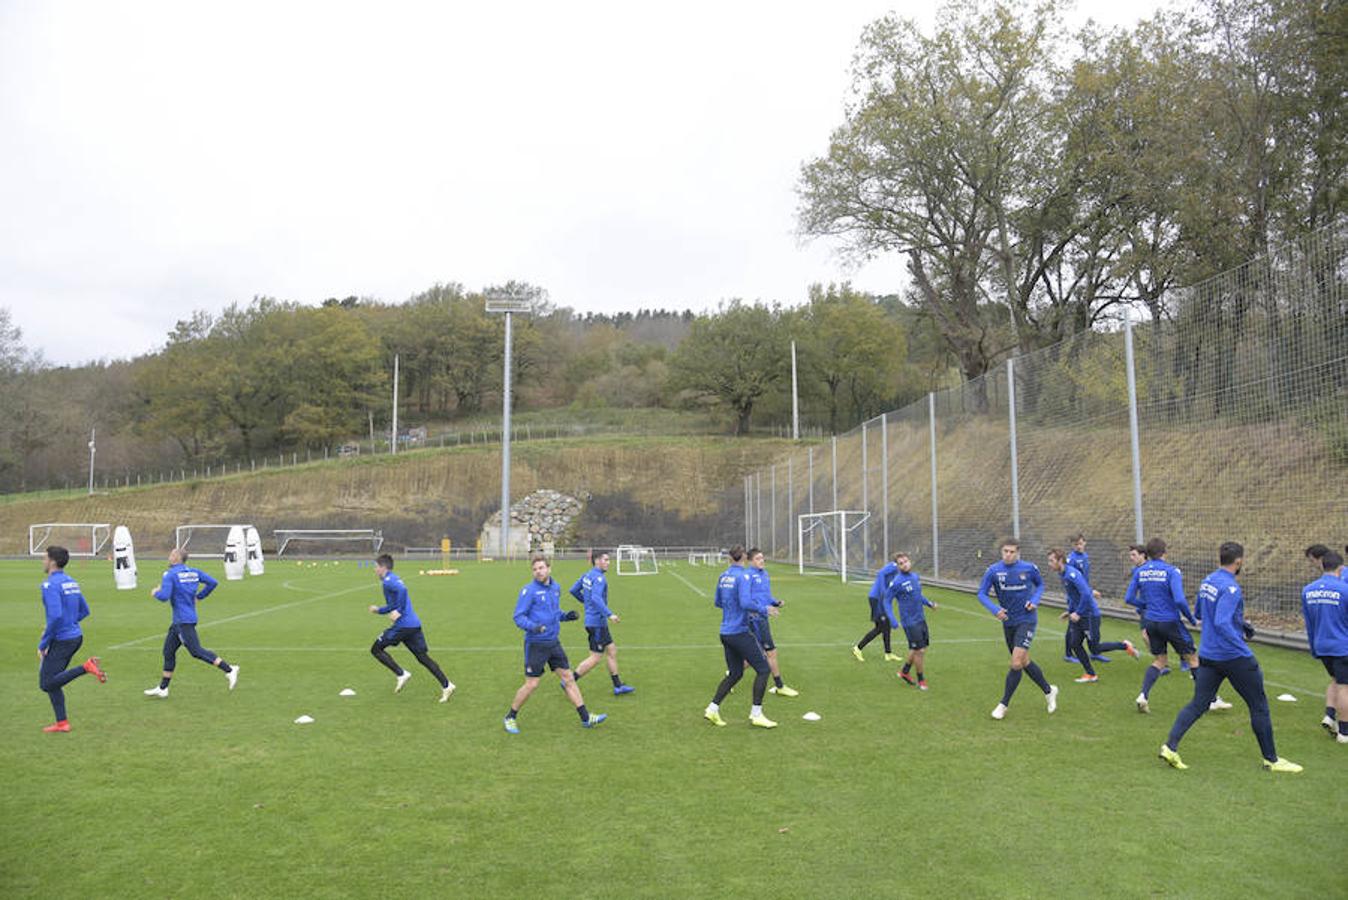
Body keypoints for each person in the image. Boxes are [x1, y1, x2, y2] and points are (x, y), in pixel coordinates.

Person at [1159, 541, 1302, 773]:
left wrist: (1242, 625)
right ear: (1239, 562)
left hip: (1208, 655)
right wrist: (1244, 648)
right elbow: (1222, 622)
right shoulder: (1231, 588)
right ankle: (1272, 760)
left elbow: (1200, 613)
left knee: (1199, 703)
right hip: (1234, 657)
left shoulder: (1207, 581)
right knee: (1259, 706)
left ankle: (1170, 747)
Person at [1124, 538, 1228, 714]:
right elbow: (1179, 599)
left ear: (1148, 554)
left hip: (1150, 621)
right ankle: (1210, 700)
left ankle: (1143, 695)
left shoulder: (1140, 572)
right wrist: (1192, 619)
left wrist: (1146, 605)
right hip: (1170, 621)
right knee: (1193, 658)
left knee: (1160, 660)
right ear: (1164, 553)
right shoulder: (1172, 571)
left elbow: (1129, 598)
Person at [505, 555, 605, 733]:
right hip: (536, 644)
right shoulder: (529, 591)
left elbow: (554, 612)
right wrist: (534, 627)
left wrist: (566, 616)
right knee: (532, 684)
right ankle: (510, 717)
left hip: (554, 643)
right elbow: (518, 616)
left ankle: (585, 717)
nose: (538, 571)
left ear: (549, 569)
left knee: (568, 678)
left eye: (541, 568)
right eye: (535, 569)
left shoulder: (555, 588)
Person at [977, 538, 1057, 720]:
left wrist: (1034, 601)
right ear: (1001, 552)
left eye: (1012, 551)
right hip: (1008, 622)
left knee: (1015, 663)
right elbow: (981, 593)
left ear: (1018, 553)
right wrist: (995, 609)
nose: (1008, 554)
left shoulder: (1029, 568)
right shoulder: (993, 571)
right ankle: (1049, 690)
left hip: (1027, 620)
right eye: (1005, 551)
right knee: (1024, 661)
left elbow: (1040, 585)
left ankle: (1003, 705)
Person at [704, 545, 781, 728]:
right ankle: (756, 714)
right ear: (745, 558)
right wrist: (765, 609)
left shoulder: (723, 576)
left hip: (725, 632)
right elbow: (746, 602)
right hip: (739, 632)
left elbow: (718, 602)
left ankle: (712, 709)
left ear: (730, 558)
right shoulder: (744, 575)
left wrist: (733, 609)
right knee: (763, 669)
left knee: (736, 673)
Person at [143, 548, 237, 698]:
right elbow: (213, 583)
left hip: (183, 621)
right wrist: (199, 596)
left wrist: (155, 592)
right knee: (168, 651)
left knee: (196, 651)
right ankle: (163, 688)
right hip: (181, 620)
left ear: (178, 558)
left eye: (172, 554)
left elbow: (164, 597)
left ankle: (230, 669)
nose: (169, 556)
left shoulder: (170, 574)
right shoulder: (194, 572)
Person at [367, 554, 456, 702]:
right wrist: (379, 610)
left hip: (403, 626)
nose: (374, 570)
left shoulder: (388, 581)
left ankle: (401, 674)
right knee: (423, 658)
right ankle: (447, 685)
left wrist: (399, 611)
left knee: (376, 649)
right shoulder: (393, 578)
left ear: (383, 567)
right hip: (414, 625)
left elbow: (403, 591)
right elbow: (392, 606)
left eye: (376, 567)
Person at [36, 546, 106, 732]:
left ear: (52, 561)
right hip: (75, 636)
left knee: (46, 683)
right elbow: (85, 611)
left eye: (44, 558)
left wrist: (43, 643)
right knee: (54, 680)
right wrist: (69, 624)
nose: (42, 561)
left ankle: (86, 667)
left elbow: (56, 616)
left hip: (63, 640)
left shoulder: (49, 585)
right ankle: (62, 723)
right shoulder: (71, 582)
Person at [1049, 548, 1138, 684]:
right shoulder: (1062, 574)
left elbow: (1085, 594)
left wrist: (1078, 613)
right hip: (1080, 614)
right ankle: (1090, 674)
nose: (1049, 564)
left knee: (1095, 648)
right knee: (1075, 643)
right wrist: (1070, 611)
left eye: (1051, 561)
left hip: (1089, 615)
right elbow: (1074, 596)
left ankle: (1124, 645)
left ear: (1060, 561)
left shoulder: (1072, 574)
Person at [567, 551, 634, 695]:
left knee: (611, 650)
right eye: (606, 559)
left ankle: (618, 686)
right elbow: (597, 599)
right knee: (595, 657)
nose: (608, 562)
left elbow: (573, 590)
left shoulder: (587, 575)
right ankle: (569, 681)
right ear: (597, 561)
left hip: (596, 622)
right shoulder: (599, 578)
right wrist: (610, 614)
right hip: (596, 622)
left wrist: (586, 602)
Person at [1301, 549, 1348, 744]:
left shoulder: (1308, 590)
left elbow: (1309, 623)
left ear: (1322, 566)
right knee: (1345, 687)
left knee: (1336, 680)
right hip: (1342, 645)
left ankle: (1329, 715)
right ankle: (1345, 732)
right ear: (1340, 568)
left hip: (1322, 644)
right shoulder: (1344, 589)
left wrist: (1313, 647)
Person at [746, 548, 799, 696]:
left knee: (756, 654)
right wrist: (763, 609)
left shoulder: (765, 574)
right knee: (771, 652)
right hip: (755, 619)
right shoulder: (748, 576)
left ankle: (731, 674)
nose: (761, 560)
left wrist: (775, 603)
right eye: (757, 558)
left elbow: (766, 596)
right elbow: (747, 601)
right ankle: (780, 686)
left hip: (762, 617)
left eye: (762, 558)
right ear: (750, 561)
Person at [882, 553, 937, 689]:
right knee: (920, 651)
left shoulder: (915, 577)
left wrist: (929, 604)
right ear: (898, 566)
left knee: (917, 648)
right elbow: (886, 601)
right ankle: (921, 680)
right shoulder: (896, 582)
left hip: (920, 618)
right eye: (901, 563)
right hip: (910, 622)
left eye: (906, 561)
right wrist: (893, 620)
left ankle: (904, 672)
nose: (905, 564)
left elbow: (918, 595)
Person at [1064, 533, 1109, 664]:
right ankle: (1068, 653)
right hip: (1076, 597)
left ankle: (1095, 652)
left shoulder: (1085, 556)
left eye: (1080, 543)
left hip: (1085, 594)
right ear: (1072, 545)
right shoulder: (1071, 560)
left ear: (1085, 542)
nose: (1079, 546)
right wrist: (1090, 591)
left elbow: (1084, 579)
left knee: (1090, 622)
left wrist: (1088, 590)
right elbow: (1074, 581)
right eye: (1075, 544)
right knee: (1073, 624)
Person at [852, 553, 903, 662]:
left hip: (879, 599)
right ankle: (858, 648)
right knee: (880, 627)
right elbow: (880, 574)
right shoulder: (893, 566)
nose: (905, 562)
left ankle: (888, 653)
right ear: (897, 561)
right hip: (877, 599)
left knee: (887, 626)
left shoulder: (898, 571)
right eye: (902, 560)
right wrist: (884, 592)